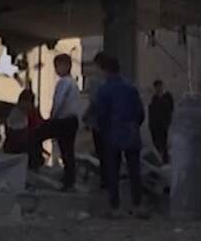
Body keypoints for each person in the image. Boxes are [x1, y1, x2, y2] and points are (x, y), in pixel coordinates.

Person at [96, 57, 147, 217]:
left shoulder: (104, 89)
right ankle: (137, 205)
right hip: (131, 132)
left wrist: (103, 129)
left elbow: (101, 114)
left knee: (113, 171)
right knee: (134, 170)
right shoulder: (131, 88)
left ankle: (115, 207)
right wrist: (134, 126)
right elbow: (140, 112)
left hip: (112, 133)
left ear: (105, 70)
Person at [35, 53, 84, 191]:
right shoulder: (73, 83)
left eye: (57, 66)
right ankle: (69, 179)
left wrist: (52, 116)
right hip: (71, 120)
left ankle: (36, 161)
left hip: (63, 120)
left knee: (36, 135)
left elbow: (59, 101)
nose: (56, 69)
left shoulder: (64, 82)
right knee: (67, 150)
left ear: (66, 66)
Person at [82, 52, 108, 186]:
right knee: (109, 152)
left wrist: (85, 116)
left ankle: (104, 180)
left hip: (98, 122)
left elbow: (94, 101)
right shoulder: (111, 79)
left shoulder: (95, 80)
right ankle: (110, 179)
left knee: (101, 152)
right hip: (111, 122)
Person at [5, 90, 45, 171]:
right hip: (18, 147)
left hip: (29, 148)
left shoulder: (32, 113)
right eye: (25, 102)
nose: (27, 106)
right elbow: (14, 132)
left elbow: (40, 126)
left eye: (29, 103)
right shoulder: (16, 113)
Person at [148, 79, 174, 163]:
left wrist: (168, 121)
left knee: (164, 142)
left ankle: (165, 159)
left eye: (159, 86)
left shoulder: (167, 96)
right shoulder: (154, 98)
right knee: (157, 142)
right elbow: (152, 111)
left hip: (164, 123)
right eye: (156, 87)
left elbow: (171, 108)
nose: (158, 88)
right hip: (155, 124)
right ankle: (160, 159)